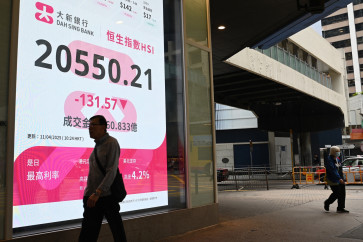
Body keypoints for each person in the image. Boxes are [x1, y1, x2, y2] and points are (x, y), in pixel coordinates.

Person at [79, 115, 127, 242]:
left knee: (118, 233)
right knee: (88, 234)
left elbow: (111, 171)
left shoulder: (111, 143)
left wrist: (98, 192)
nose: (90, 128)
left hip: (106, 197)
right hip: (92, 197)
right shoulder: (97, 145)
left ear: (104, 127)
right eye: (89, 125)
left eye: (93, 125)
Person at [323, 146, 349, 213]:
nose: (339, 153)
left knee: (342, 193)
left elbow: (339, 168)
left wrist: (342, 178)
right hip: (333, 179)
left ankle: (340, 208)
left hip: (340, 178)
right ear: (333, 152)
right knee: (337, 193)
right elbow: (333, 170)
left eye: (339, 151)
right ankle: (327, 202)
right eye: (337, 152)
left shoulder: (337, 158)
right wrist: (339, 178)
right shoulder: (329, 160)